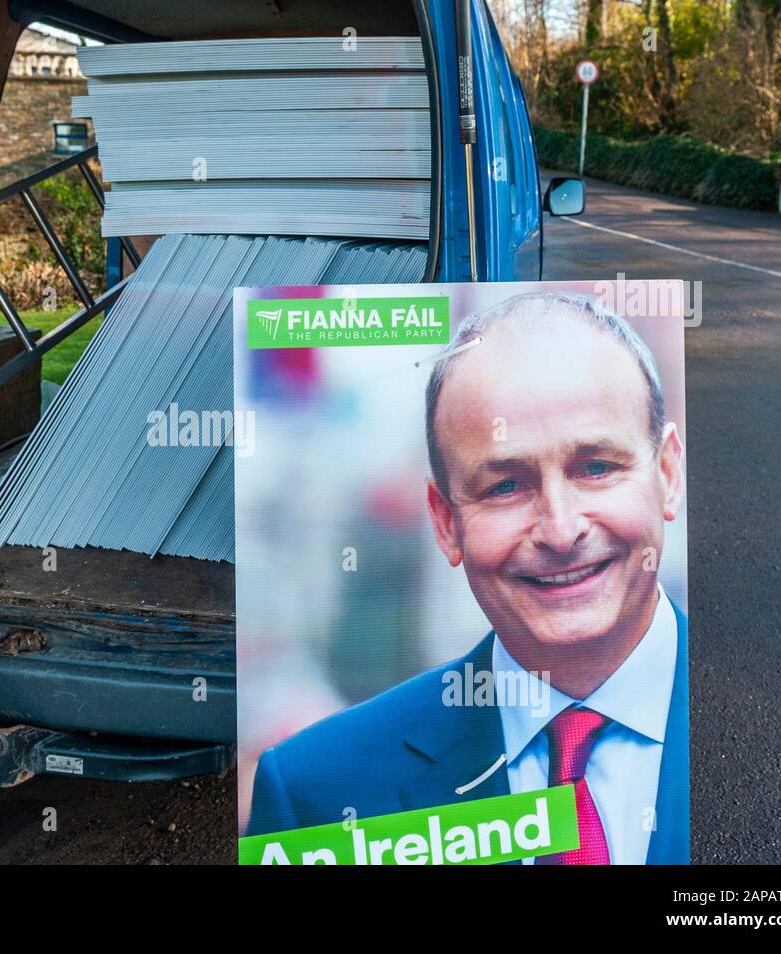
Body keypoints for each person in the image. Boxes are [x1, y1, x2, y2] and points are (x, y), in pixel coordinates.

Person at [246, 291, 688, 864]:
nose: (560, 529)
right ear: (446, 521)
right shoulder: (316, 792)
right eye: (506, 486)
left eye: (596, 468)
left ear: (668, 474)